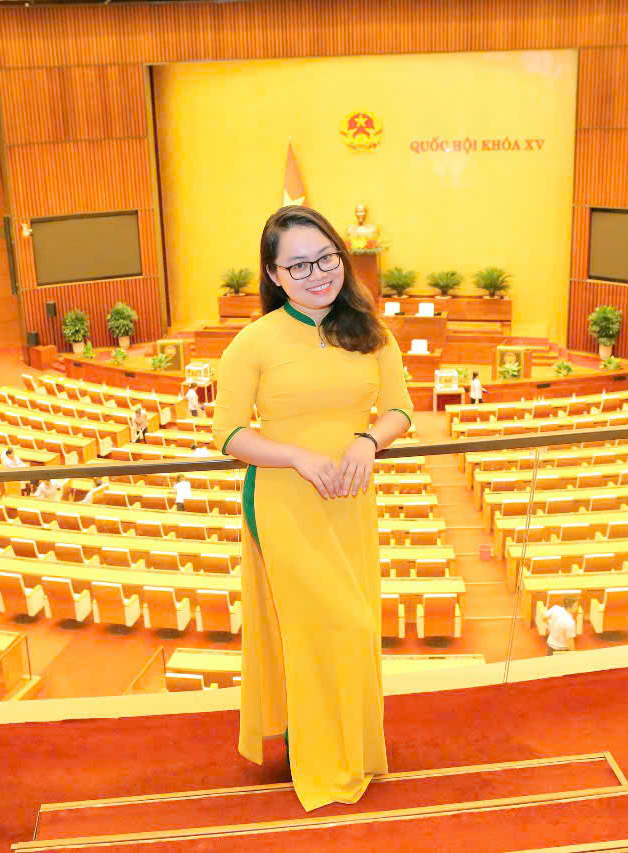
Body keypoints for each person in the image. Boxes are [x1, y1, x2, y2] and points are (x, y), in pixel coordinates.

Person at [212, 204, 413, 812]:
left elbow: (400, 409)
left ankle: (349, 745)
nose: (317, 273)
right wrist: (297, 457)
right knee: (325, 627)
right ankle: (324, 763)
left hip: (351, 500)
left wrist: (368, 439)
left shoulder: (370, 328)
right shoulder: (254, 341)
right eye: (298, 265)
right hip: (284, 501)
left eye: (325, 258)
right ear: (274, 275)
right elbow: (228, 436)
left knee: (353, 628)